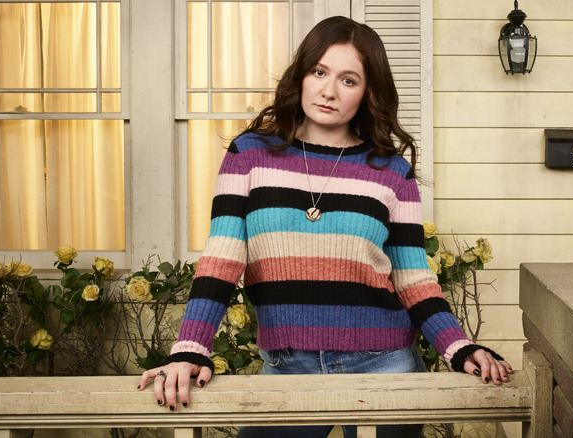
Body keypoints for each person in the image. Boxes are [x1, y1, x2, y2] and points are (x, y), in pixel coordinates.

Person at [137, 15, 512, 438]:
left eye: (349, 80)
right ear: (302, 75)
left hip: (383, 366)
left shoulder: (391, 171)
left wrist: (459, 347)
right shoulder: (249, 154)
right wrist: (191, 347)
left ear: (368, 93)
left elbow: (413, 278)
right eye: (319, 72)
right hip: (287, 366)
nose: (329, 91)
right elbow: (222, 259)